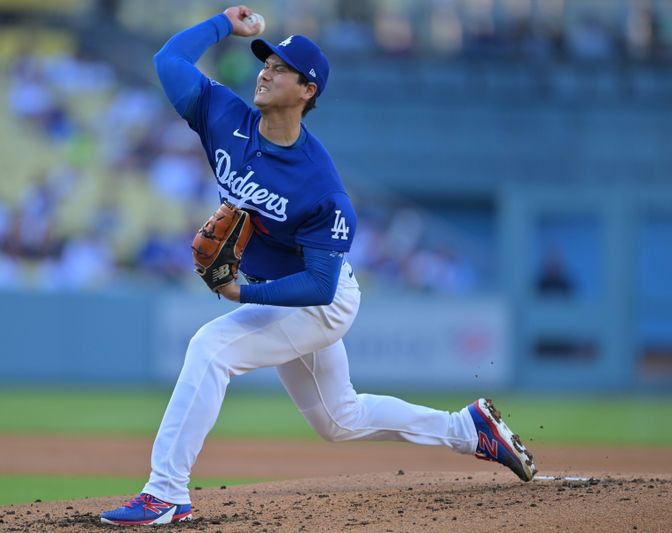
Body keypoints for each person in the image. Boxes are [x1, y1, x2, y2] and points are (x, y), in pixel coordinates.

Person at [101, 5, 536, 526]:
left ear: (308, 90)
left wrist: (242, 295)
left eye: (280, 68)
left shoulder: (321, 186)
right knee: (339, 419)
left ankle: (165, 492)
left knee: (209, 349)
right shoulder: (222, 116)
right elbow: (168, 58)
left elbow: (320, 284)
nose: (265, 71)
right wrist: (223, 23)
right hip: (282, 292)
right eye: (265, 63)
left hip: (316, 299)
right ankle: (468, 429)